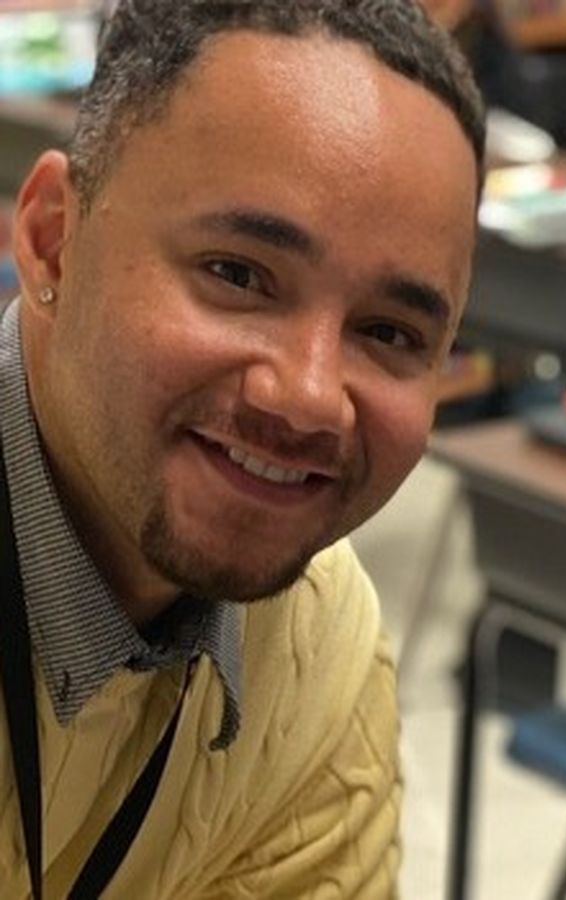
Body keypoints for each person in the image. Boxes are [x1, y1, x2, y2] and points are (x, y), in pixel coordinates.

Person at [1, 0, 483, 896]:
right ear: (52, 240)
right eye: (237, 275)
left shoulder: (319, 659)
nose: (308, 396)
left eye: (389, 333)